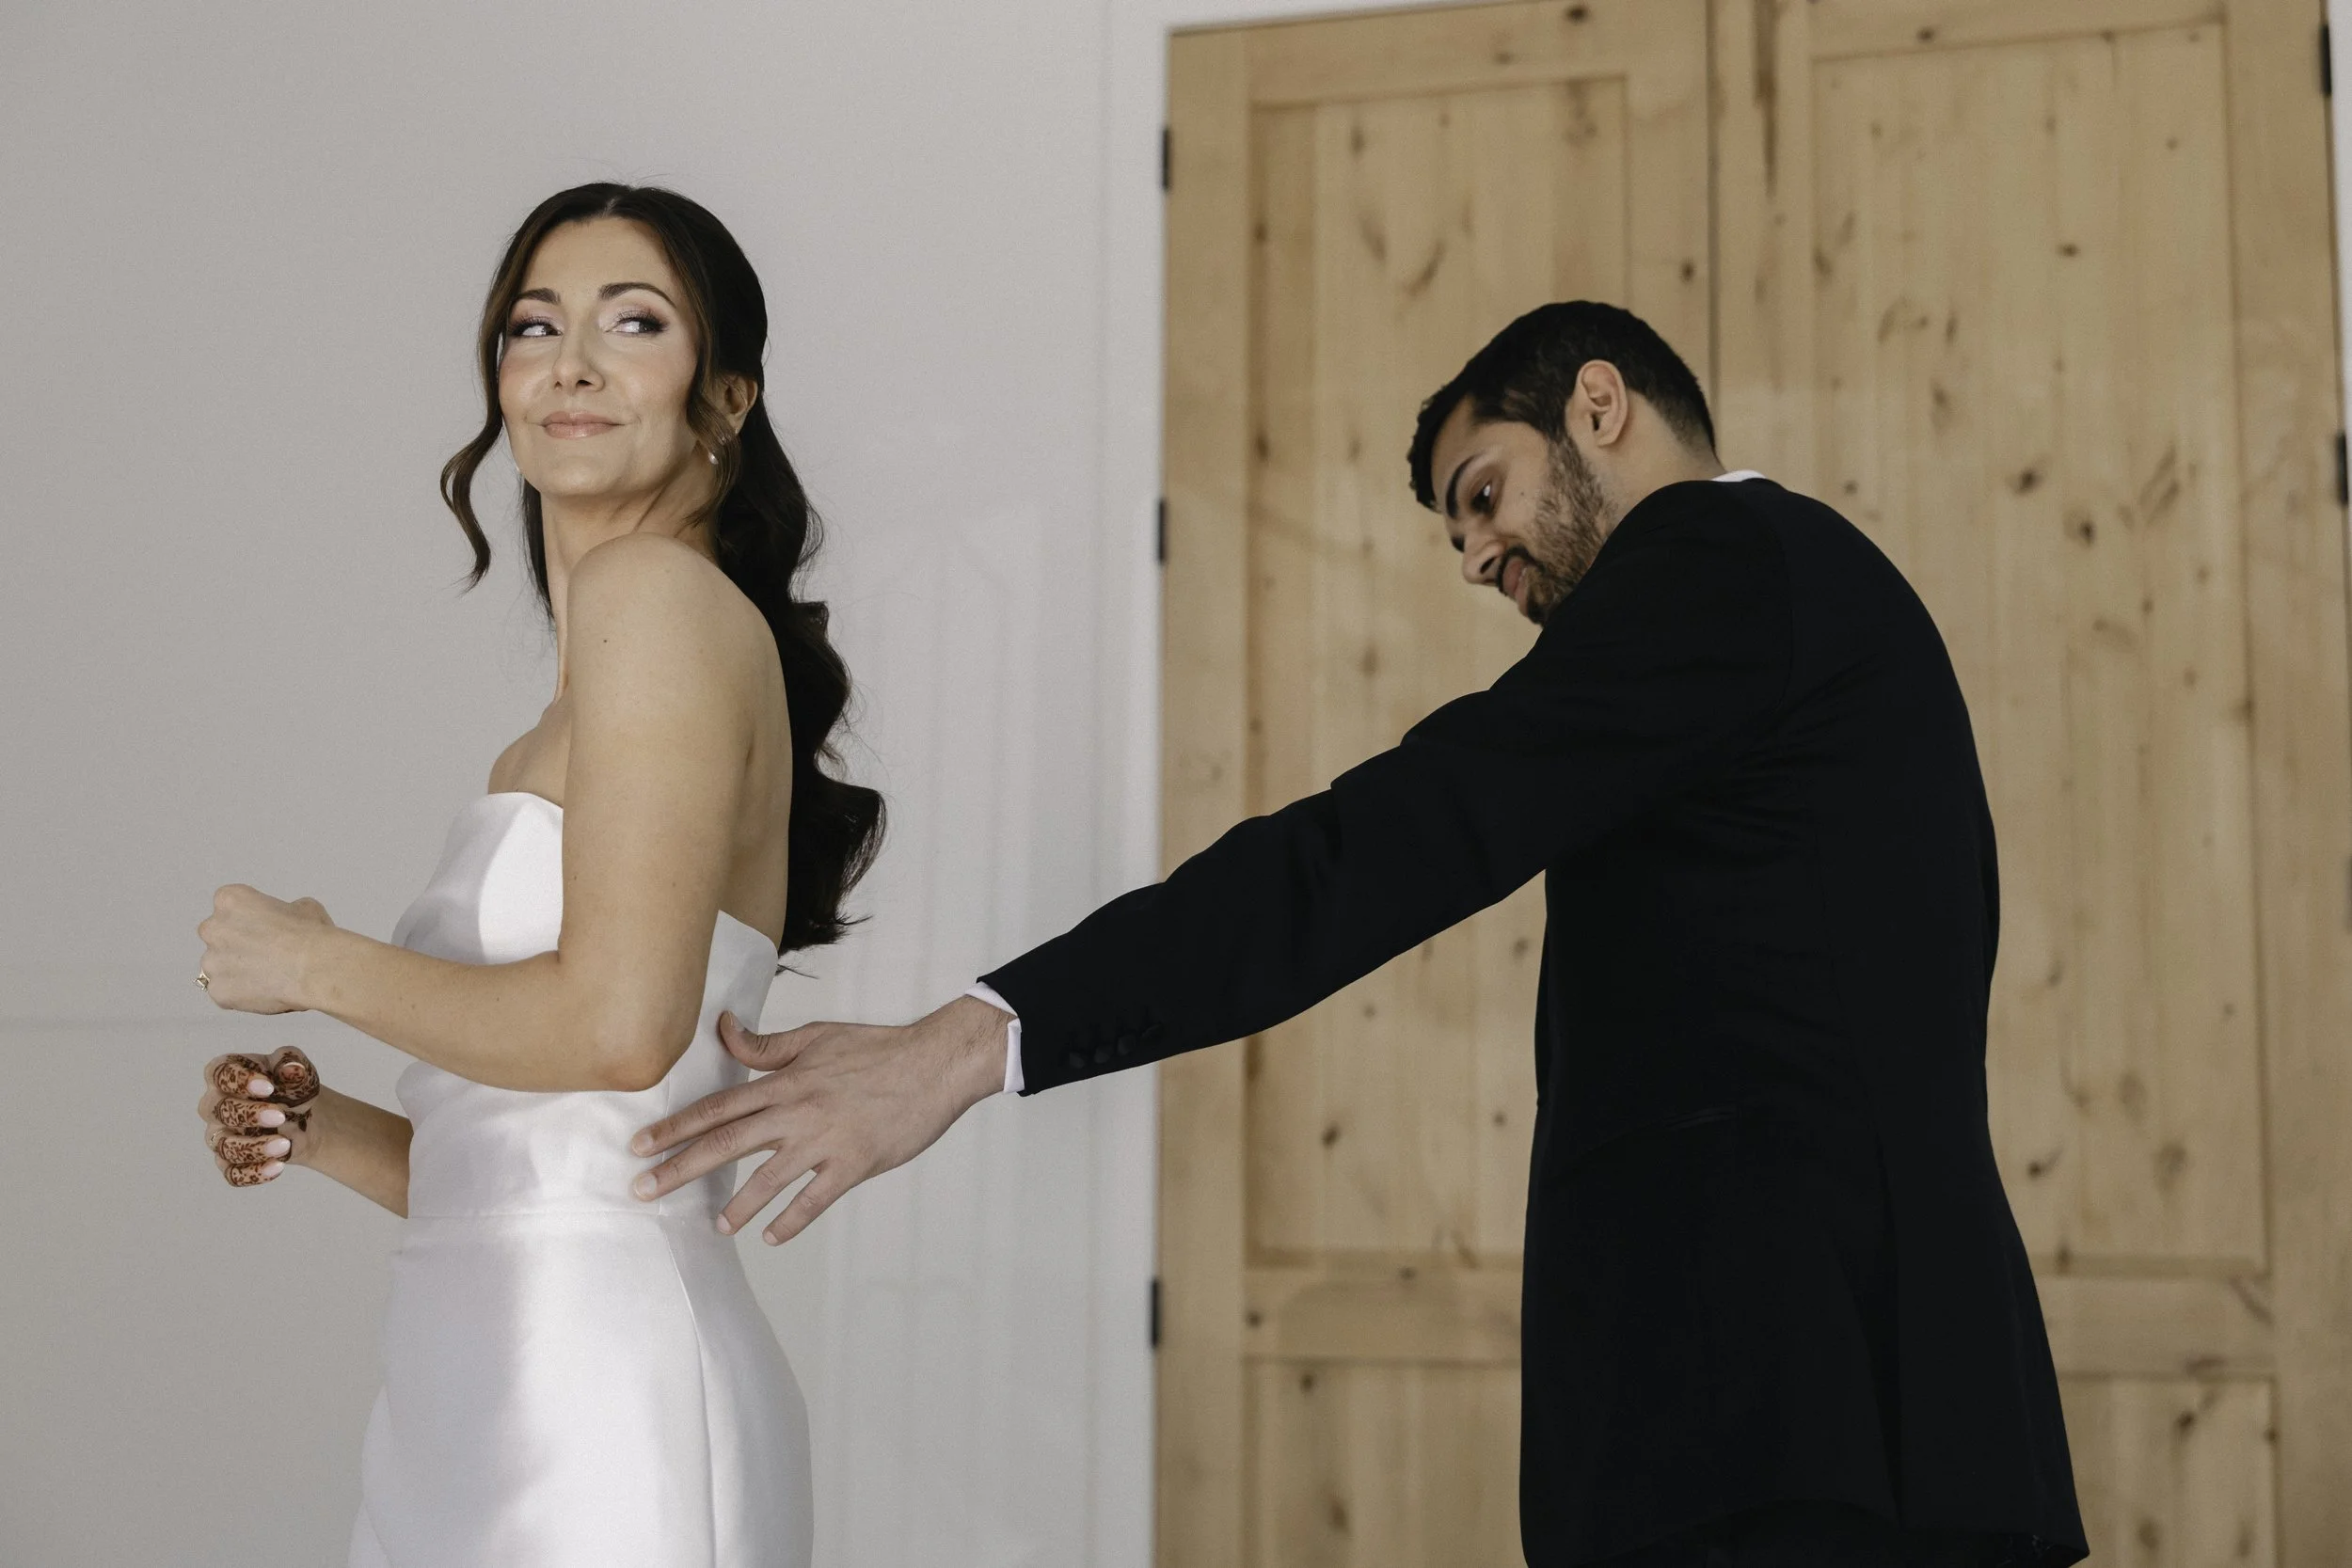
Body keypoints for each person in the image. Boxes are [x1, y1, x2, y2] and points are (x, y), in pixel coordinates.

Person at [631, 303, 2090, 1566]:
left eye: (1485, 492)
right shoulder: (1802, 604)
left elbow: (1395, 838)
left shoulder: (1719, 558)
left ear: (1601, 405)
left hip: (1794, 1422)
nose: (1476, 554)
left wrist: (969, 1044)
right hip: (1847, 1412)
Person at [191, 183, 881, 1568]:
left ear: (727, 397)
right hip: (476, 1383)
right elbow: (548, 1167)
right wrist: (322, 1130)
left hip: (596, 1400)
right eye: (532, 325)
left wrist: (314, 963)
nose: (570, 363)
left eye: (635, 323)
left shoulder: (654, 598)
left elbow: (617, 1030)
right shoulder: (559, 714)